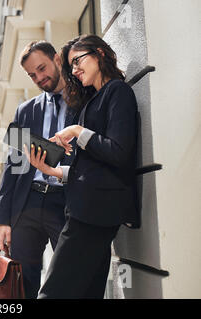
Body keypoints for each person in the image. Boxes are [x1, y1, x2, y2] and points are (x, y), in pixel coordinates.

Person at [24, 34, 139, 298]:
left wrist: (77, 131)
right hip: (87, 210)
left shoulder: (118, 91)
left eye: (77, 61)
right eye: (71, 66)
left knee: (52, 293)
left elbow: (119, 152)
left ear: (99, 53)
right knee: (87, 293)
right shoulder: (93, 101)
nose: (74, 70)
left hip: (94, 213)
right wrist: (55, 171)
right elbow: (92, 168)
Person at [0, 41, 79, 299]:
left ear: (56, 59)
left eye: (42, 68)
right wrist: (2, 218)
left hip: (66, 201)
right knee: (21, 283)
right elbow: (13, 166)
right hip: (26, 203)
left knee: (69, 278)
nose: (40, 77)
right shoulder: (25, 110)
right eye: (32, 75)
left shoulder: (84, 101)